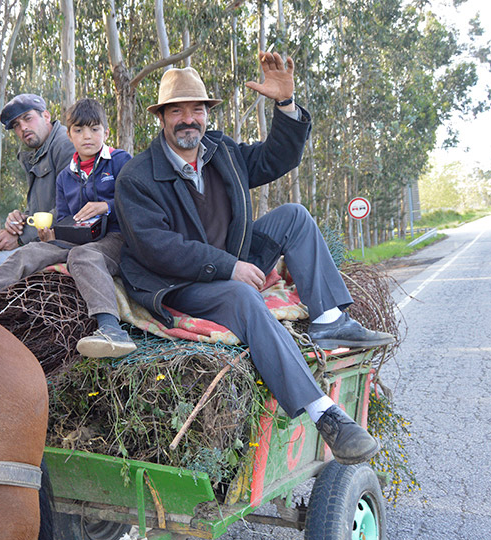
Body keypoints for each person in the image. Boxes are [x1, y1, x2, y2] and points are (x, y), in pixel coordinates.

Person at [114, 57, 394, 465]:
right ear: (161, 117)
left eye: (197, 110)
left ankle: (330, 321)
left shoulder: (221, 151)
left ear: (207, 114)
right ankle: (326, 415)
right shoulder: (137, 177)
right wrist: (228, 268)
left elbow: (276, 159)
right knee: (245, 300)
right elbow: (158, 248)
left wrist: (285, 106)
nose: (188, 119)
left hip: (232, 260)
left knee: (294, 216)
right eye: (177, 110)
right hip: (179, 284)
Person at [0, 98, 136, 358]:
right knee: (28, 252)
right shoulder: (67, 175)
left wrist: (106, 206)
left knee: (83, 256)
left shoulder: (120, 161)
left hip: (114, 237)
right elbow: (65, 216)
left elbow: (137, 204)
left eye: (94, 129)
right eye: (78, 130)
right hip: (77, 239)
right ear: (69, 135)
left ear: (106, 132)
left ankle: (111, 329)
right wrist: (51, 236)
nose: (87, 136)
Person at [0, 93, 75, 273]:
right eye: (16, 125)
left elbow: (70, 206)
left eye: (28, 118)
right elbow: (41, 208)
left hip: (60, 242)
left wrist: (21, 237)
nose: (23, 127)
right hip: (42, 239)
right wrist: (18, 220)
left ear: (46, 116)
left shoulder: (65, 144)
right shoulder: (39, 151)